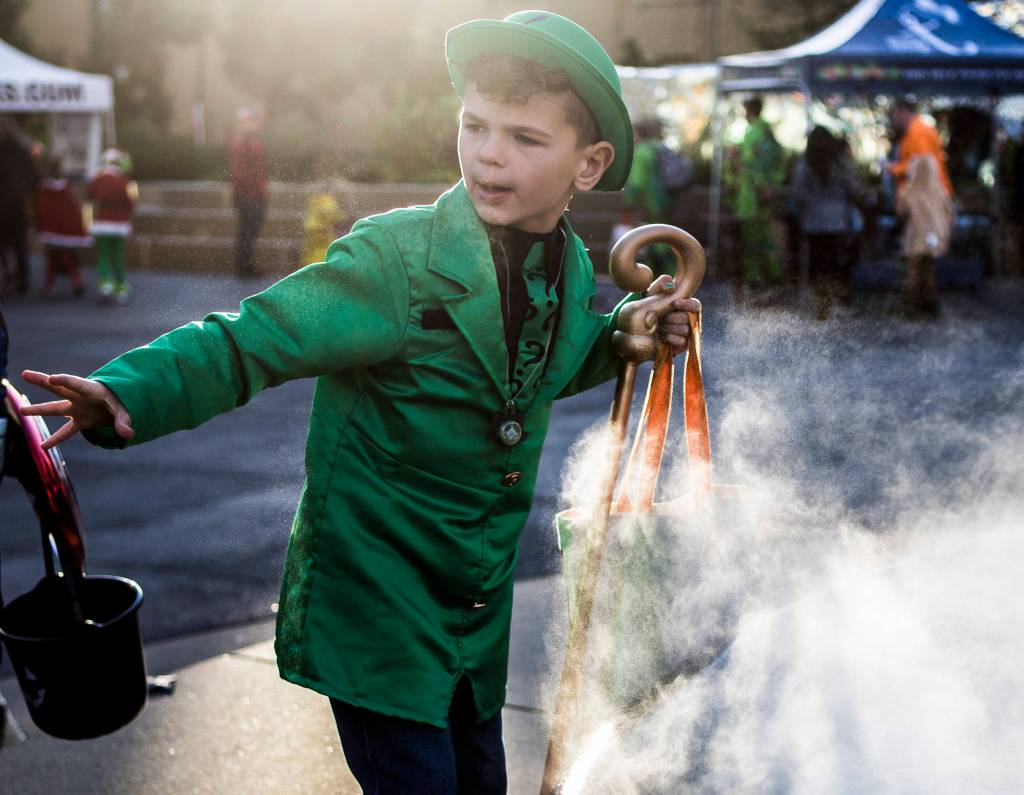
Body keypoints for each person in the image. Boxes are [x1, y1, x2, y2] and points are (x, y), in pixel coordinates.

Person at [19, 11, 699, 794]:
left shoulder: (572, 270)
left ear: (590, 164)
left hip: (473, 614)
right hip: (374, 597)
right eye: (474, 126)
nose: (488, 154)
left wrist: (622, 333)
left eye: (524, 137)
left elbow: (543, 366)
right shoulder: (394, 259)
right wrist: (127, 388)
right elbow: (251, 338)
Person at [789, 126, 862, 319]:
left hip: (813, 223)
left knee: (817, 265)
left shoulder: (804, 165)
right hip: (838, 222)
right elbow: (854, 189)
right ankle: (835, 300)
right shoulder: (841, 164)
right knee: (835, 264)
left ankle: (821, 305)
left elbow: (798, 195)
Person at [619, 117, 690, 277]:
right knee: (663, 238)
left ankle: (663, 280)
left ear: (638, 133)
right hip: (668, 201)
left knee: (655, 241)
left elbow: (637, 184)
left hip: (651, 204)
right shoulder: (661, 148)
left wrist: (627, 204)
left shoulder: (643, 152)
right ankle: (669, 278)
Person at [733, 97, 786, 298]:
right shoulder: (769, 133)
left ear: (749, 111)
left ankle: (754, 279)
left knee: (751, 241)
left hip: (752, 198)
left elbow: (751, 165)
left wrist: (761, 186)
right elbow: (779, 160)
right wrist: (772, 185)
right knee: (766, 238)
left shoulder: (752, 134)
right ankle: (774, 275)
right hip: (765, 196)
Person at [896, 154, 954, 318]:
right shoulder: (940, 189)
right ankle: (930, 304)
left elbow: (901, 211)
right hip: (935, 235)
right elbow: (949, 212)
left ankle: (912, 306)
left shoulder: (908, 190)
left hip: (916, 236)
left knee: (914, 271)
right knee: (929, 269)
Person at [35, 153, 91, 297]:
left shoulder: (44, 191)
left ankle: (48, 285)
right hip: (66, 232)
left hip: (50, 232)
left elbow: (41, 210)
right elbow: (73, 211)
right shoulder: (65, 190)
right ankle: (76, 281)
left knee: (51, 259)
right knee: (68, 257)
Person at [86, 148, 136, 303]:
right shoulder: (124, 180)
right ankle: (121, 288)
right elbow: (130, 203)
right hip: (120, 224)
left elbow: (88, 198)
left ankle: (105, 284)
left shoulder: (96, 178)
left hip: (101, 222)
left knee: (104, 255)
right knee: (119, 256)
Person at [0, 119, 39, 295]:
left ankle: (12, 276)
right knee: (19, 244)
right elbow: (35, 180)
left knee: (12, 244)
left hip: (9, 204)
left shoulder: (15, 152)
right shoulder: (23, 152)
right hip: (18, 204)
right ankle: (20, 279)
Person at [229, 108, 269, 279]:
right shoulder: (242, 142)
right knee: (247, 230)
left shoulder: (251, 141)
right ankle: (245, 267)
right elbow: (238, 171)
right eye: (250, 121)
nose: (254, 124)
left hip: (255, 193)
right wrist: (247, 190)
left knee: (250, 230)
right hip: (248, 195)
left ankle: (246, 265)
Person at [888, 97, 952, 197]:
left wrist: (894, 169)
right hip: (925, 196)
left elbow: (923, 165)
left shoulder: (919, 132)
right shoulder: (911, 132)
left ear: (903, 111)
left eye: (894, 115)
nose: (893, 120)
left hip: (930, 197)